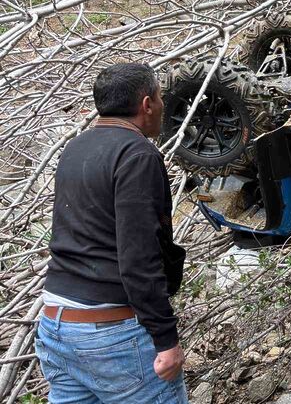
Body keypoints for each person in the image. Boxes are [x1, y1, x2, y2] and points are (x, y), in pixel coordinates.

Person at [36, 63, 188, 403]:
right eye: (161, 99)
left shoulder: (75, 149)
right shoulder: (137, 154)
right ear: (147, 105)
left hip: (55, 325)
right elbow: (138, 256)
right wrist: (166, 340)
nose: (163, 107)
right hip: (110, 333)